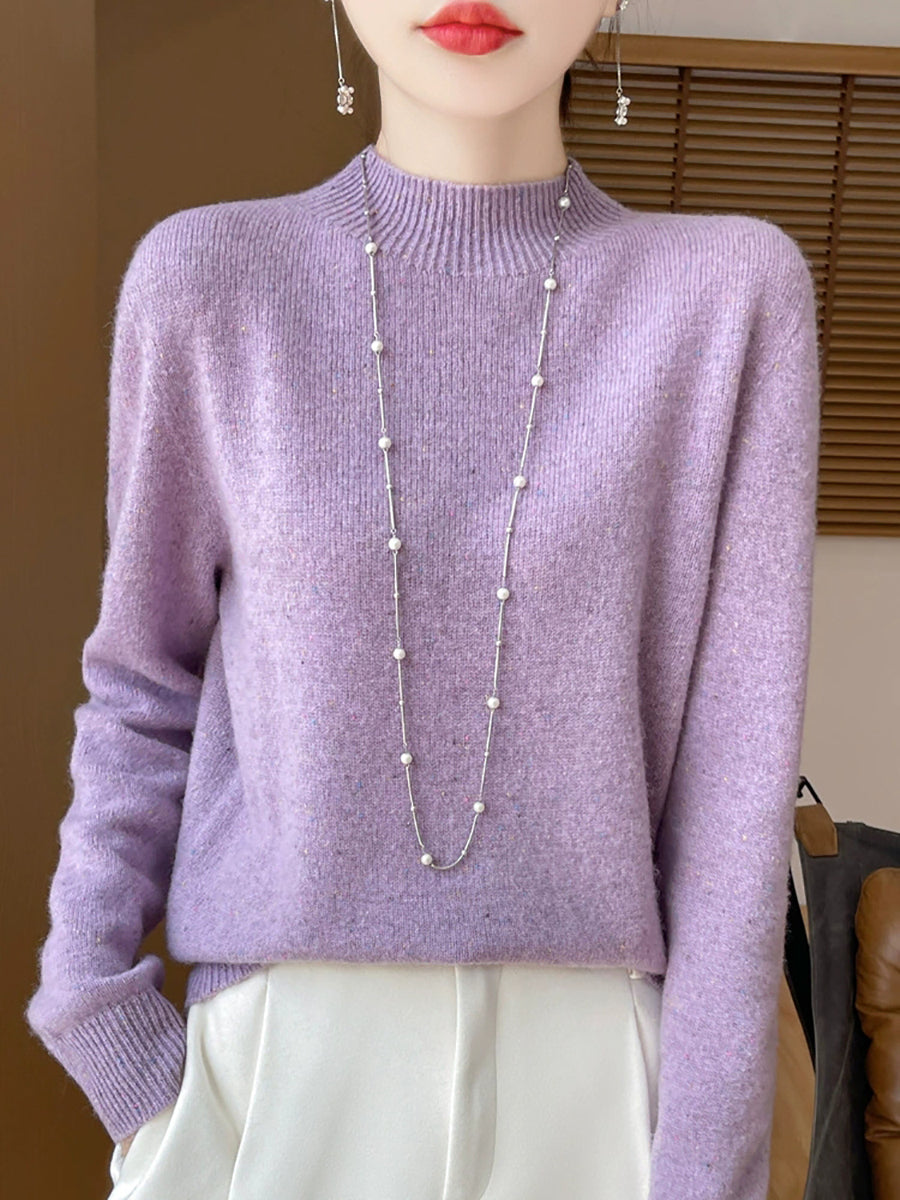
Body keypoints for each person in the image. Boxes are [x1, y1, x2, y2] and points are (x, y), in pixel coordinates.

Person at [23, 2, 822, 1197]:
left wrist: (708, 1166)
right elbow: (144, 684)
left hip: (606, 1101)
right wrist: (100, 1019)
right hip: (268, 1085)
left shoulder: (729, 298)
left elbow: (736, 792)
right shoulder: (210, 282)